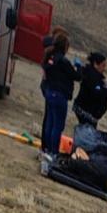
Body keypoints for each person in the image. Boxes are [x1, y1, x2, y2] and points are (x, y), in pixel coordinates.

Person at [40, 31, 81, 174]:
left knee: (50, 123)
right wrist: (78, 67)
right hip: (59, 96)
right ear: (64, 46)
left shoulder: (50, 57)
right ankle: (53, 153)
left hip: (50, 93)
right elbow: (76, 76)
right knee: (57, 126)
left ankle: (46, 149)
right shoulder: (63, 61)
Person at [72, 52, 107, 127]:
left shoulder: (97, 75)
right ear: (95, 64)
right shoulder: (91, 76)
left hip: (89, 111)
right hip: (86, 112)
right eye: (103, 65)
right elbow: (98, 94)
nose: (104, 69)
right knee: (86, 132)